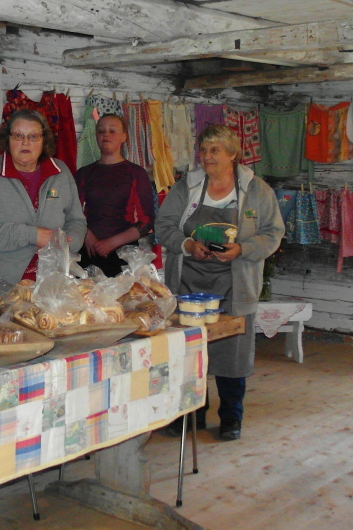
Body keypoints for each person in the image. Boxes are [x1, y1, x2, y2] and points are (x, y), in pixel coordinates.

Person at [156, 124, 284, 441]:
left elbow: (273, 233)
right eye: (203, 150)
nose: (207, 157)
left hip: (235, 284)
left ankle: (230, 418)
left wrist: (242, 249)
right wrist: (187, 245)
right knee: (189, 352)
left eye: (215, 150)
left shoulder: (257, 191)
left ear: (232, 154)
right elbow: (164, 225)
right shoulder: (186, 187)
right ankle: (193, 414)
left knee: (232, 354)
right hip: (189, 282)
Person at [0, 109, 86, 287]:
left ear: (43, 140)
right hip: (3, 285)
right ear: (7, 139)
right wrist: (32, 235)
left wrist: (68, 243)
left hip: (53, 283)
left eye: (33, 137)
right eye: (18, 135)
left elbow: (76, 220)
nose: (25, 142)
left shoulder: (60, 172)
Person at [74, 114, 155, 276]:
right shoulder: (84, 173)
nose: (106, 135)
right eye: (101, 131)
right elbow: (72, 213)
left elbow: (146, 222)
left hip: (124, 255)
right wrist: (87, 236)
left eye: (112, 131)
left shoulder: (136, 173)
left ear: (124, 136)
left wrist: (111, 243)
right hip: (89, 251)